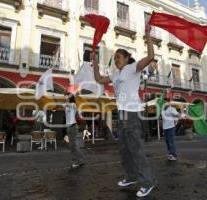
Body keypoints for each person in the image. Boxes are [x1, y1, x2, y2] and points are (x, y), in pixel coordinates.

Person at [93, 24, 156, 198]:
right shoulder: (115, 74)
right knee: (123, 149)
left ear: (127, 58)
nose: (116, 60)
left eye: (119, 57)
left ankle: (148, 182)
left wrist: (148, 35)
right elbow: (99, 78)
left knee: (135, 149)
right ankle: (130, 176)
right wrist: (95, 61)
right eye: (115, 58)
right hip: (121, 113)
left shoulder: (133, 68)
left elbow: (151, 56)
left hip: (132, 113)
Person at [64, 93, 85, 169]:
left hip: (73, 126)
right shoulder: (66, 105)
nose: (65, 97)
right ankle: (77, 160)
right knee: (71, 146)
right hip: (68, 127)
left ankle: (79, 160)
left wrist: (69, 98)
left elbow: (67, 105)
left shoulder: (73, 104)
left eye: (66, 96)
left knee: (74, 145)